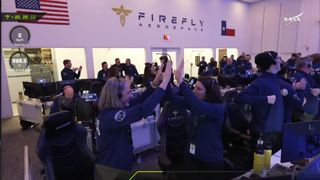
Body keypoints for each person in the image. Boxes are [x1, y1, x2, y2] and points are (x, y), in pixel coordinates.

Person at [95, 61, 172, 171]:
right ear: (117, 96)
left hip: (118, 166)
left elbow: (138, 101)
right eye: (128, 92)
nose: (131, 96)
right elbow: (143, 110)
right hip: (111, 171)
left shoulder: (112, 109)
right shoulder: (111, 117)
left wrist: (155, 83)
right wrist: (164, 83)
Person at [168, 60, 225, 179]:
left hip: (210, 158)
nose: (194, 91)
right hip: (192, 154)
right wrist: (165, 81)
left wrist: (181, 82)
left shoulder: (217, 108)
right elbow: (173, 98)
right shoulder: (196, 103)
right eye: (194, 88)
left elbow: (198, 105)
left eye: (199, 89)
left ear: (209, 93)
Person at [235, 51, 299, 156]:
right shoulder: (260, 82)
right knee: (261, 164)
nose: (281, 61)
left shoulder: (276, 80)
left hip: (276, 129)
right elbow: (239, 98)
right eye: (278, 59)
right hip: (263, 131)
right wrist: (265, 99)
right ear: (272, 63)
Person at [291, 56, 320, 121]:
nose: (312, 67)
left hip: (309, 112)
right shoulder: (297, 76)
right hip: (302, 113)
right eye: (311, 65)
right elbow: (291, 90)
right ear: (308, 65)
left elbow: (315, 86)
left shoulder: (307, 76)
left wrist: (318, 90)